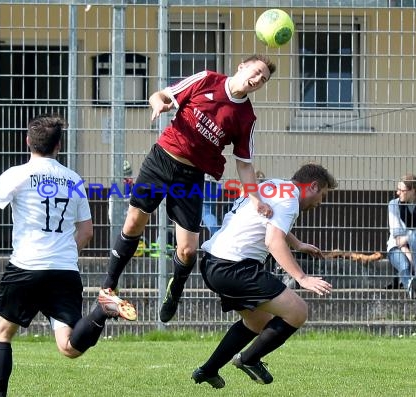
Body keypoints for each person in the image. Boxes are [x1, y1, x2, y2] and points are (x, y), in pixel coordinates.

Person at [0, 115, 127, 397]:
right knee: (69, 347)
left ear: (28, 142)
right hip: (64, 272)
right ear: (59, 145)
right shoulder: (74, 180)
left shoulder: (17, 174)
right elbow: (86, 232)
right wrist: (65, 255)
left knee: (1, 333)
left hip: (25, 267)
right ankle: (101, 309)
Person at [98, 55, 277, 323]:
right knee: (134, 221)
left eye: (263, 80)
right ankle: (109, 286)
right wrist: (158, 103)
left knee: (188, 250)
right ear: (242, 66)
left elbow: (245, 164)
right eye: (256, 72)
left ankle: (175, 289)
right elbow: (161, 95)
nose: (257, 80)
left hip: (191, 176)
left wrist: (255, 199)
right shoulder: (207, 79)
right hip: (161, 160)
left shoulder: (246, 117)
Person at [192, 163, 336, 389]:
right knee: (297, 311)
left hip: (213, 261)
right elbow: (273, 240)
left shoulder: (275, 186)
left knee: (257, 321)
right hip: (234, 265)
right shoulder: (291, 200)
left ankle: (208, 370)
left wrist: (297, 244)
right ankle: (249, 360)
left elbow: (267, 220)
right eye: (322, 196)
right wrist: (302, 278)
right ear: (314, 186)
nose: (320, 203)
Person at [386, 173, 416, 298]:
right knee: (404, 265)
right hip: (396, 248)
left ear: (412, 191)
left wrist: (410, 238)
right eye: (397, 189)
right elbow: (397, 237)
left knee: (413, 236)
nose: (397, 193)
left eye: (401, 190)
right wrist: (411, 259)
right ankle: (411, 287)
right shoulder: (393, 205)